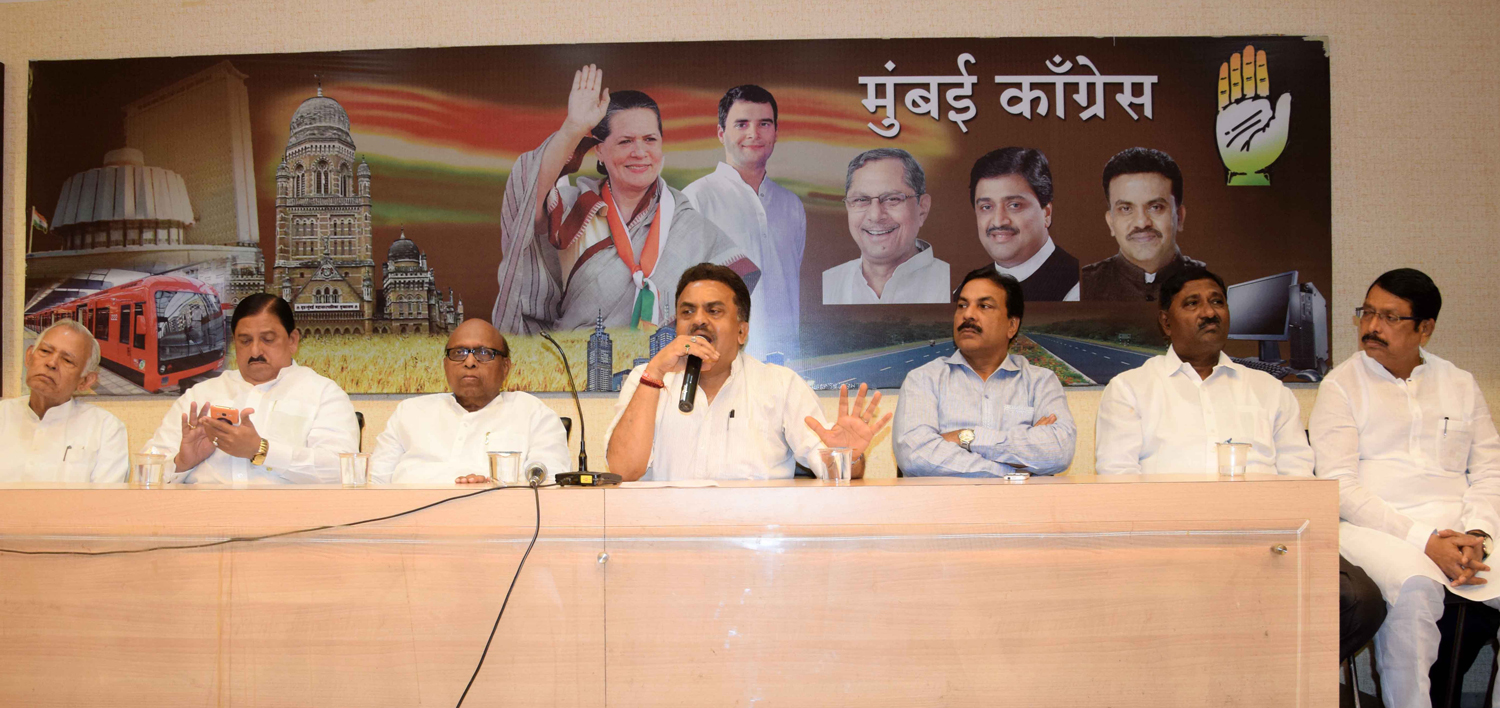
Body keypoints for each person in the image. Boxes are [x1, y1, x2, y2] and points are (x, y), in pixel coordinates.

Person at [1310, 268, 1500, 707]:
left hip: (1461, 531)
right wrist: (1425, 541)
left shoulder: (1460, 383)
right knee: (1416, 586)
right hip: (1376, 530)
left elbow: (1489, 471)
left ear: (1425, 329)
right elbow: (1340, 487)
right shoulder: (1341, 385)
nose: (1372, 326)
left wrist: (1479, 534)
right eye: (1367, 313)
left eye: (1390, 317)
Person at [492, 65, 758, 334]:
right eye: (625, 141)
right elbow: (525, 199)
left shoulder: (684, 221)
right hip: (573, 358)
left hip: (663, 360)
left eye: (650, 139)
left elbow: (733, 287)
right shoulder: (576, 208)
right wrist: (573, 129)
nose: (639, 152)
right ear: (599, 150)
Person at [605, 263, 889, 481]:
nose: (698, 320)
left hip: (756, 534)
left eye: (714, 311)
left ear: (742, 332)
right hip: (669, 534)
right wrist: (655, 373)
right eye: (687, 312)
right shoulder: (647, 379)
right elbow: (622, 471)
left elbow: (833, 470)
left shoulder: (780, 384)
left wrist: (848, 456)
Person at [1094, 267, 1313, 475]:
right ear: (1166, 322)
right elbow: (1118, 478)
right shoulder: (1130, 390)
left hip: (1260, 503)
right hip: (1167, 504)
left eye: (1217, 302)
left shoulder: (1271, 390)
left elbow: (1298, 475)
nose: (1209, 312)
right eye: (1192, 303)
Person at [143, 294, 359, 484]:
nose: (255, 351)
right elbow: (146, 470)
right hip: (204, 513)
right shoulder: (199, 396)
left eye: (267, 339)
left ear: (292, 340)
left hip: (290, 515)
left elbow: (343, 470)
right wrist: (182, 462)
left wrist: (262, 451)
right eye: (245, 341)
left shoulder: (323, 394)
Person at [894, 268, 1075, 476]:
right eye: (962, 305)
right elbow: (915, 456)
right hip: (951, 500)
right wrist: (1014, 469)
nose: (968, 314)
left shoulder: (1040, 382)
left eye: (984, 306)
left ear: (1012, 325)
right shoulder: (923, 380)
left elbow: (1059, 451)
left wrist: (967, 437)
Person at [684, 85, 806, 361]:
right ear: (721, 133)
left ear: (776, 132)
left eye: (764, 123)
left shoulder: (791, 205)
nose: (754, 133)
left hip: (787, 364)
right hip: (721, 364)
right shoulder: (696, 199)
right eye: (742, 124)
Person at [370, 319, 570, 484]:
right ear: (445, 365)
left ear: (505, 367)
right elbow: (373, 483)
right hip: (408, 518)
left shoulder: (534, 414)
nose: (470, 362)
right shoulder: (409, 412)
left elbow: (550, 482)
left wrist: (491, 490)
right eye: (459, 353)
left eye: (484, 353)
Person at [0, 320, 128, 483]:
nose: (51, 363)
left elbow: (106, 498)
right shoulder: (3, 414)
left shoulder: (105, 429)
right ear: (29, 357)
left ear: (86, 381)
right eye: (45, 351)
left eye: (67, 360)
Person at [822, 148, 950, 304]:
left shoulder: (955, 285)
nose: (875, 215)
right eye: (861, 200)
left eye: (892, 199)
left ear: (922, 208)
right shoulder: (825, 286)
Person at [1080, 148, 1205, 302]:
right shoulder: (1082, 287)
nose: (1142, 223)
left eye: (1155, 207)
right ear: (1111, 222)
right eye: (1126, 209)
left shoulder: (1212, 280)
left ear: (1179, 217)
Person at [965, 148, 1080, 302]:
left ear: (1046, 213)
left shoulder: (1078, 288)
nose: (998, 221)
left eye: (1014, 205)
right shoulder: (964, 290)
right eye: (986, 207)